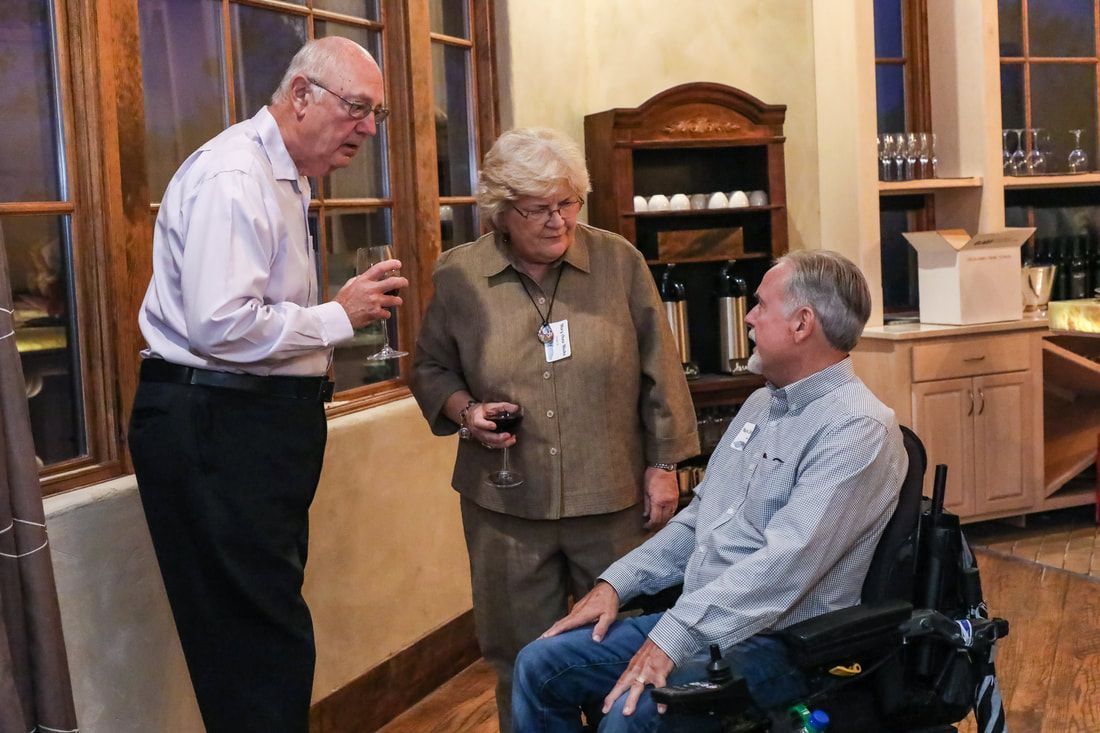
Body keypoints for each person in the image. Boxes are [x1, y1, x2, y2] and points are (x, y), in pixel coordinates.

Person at [128, 37, 406, 733]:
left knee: (261, 635)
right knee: (256, 643)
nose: (368, 129)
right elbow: (221, 325)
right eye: (357, 108)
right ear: (301, 94)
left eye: (376, 114)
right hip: (216, 421)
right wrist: (339, 316)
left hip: (245, 423)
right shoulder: (236, 176)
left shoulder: (288, 176)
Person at [512, 250, 909, 732]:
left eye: (761, 305)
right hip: (703, 620)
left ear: (802, 323)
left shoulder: (857, 427)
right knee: (539, 665)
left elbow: (784, 567)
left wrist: (673, 636)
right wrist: (616, 583)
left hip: (781, 643)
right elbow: (698, 519)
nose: (749, 317)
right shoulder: (760, 404)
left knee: (630, 714)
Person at [410, 127, 699, 731]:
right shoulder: (461, 276)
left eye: (568, 202)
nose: (558, 220)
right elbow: (431, 367)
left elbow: (661, 368)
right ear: (501, 211)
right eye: (538, 208)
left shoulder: (618, 262)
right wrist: (466, 412)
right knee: (519, 657)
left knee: (619, 652)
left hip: (613, 500)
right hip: (506, 509)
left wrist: (665, 465)